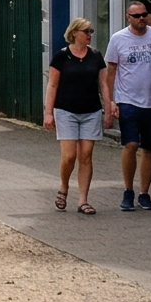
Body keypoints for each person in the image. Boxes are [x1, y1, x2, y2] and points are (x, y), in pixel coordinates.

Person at [105, 0, 151, 211]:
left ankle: (144, 192)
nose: (141, 19)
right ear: (128, 17)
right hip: (127, 100)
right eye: (136, 15)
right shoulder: (118, 39)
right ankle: (128, 190)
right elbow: (111, 71)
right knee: (130, 144)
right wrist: (110, 100)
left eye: (144, 14)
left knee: (149, 148)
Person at [46, 17, 106, 213]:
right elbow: (53, 84)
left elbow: (103, 84)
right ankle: (64, 186)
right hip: (66, 110)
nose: (89, 35)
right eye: (86, 31)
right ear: (74, 33)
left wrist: (108, 107)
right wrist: (49, 112)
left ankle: (83, 200)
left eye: (91, 31)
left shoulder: (96, 56)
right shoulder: (61, 57)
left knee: (86, 155)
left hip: (91, 110)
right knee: (69, 156)